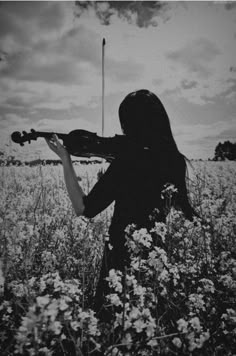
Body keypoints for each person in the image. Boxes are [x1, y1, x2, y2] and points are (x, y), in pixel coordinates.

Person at [45, 89, 196, 318]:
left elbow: (84, 208)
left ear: (130, 124)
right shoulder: (176, 160)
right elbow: (163, 199)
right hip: (156, 260)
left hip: (120, 261)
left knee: (111, 324)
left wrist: (66, 159)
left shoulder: (127, 160)